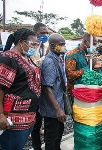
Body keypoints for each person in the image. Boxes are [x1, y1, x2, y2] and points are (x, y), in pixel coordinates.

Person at [0, 28, 41, 150]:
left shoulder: (25, 57)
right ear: (21, 42)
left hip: (27, 116)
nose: (35, 47)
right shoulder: (8, 57)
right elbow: (1, 87)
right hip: (13, 118)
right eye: (33, 44)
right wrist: (1, 114)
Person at [39, 33, 66, 150]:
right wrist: (58, 109)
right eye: (61, 45)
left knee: (58, 135)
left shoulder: (58, 59)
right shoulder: (49, 62)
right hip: (53, 110)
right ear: (52, 45)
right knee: (52, 137)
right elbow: (46, 88)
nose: (64, 47)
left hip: (58, 105)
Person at [31, 22, 49, 150]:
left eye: (46, 33)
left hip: (45, 89)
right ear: (35, 33)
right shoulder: (31, 49)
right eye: (42, 33)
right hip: (33, 90)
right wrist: (46, 57)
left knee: (46, 120)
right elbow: (33, 66)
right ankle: (36, 146)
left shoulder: (46, 46)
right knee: (35, 122)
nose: (45, 35)